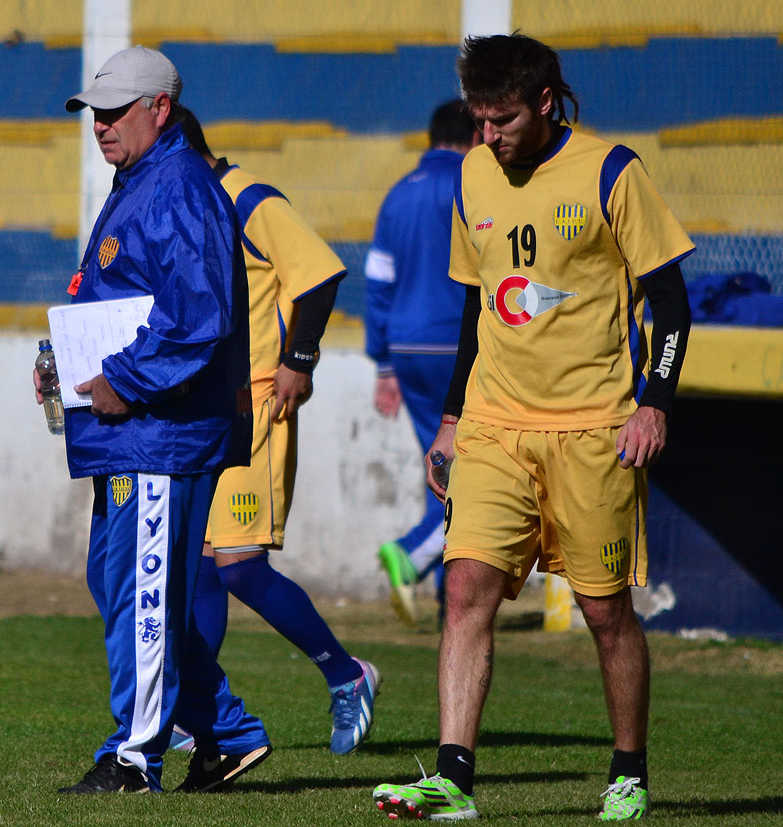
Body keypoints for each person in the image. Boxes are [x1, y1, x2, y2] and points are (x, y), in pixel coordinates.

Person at [372, 34, 693, 821]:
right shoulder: (472, 173)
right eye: (479, 119)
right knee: (466, 586)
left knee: (604, 609)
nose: (489, 135)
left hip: (593, 430)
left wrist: (656, 400)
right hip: (492, 424)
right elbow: (477, 312)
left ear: (546, 103)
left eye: (504, 118)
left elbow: (674, 305)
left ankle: (628, 771)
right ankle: (452, 777)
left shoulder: (614, 172)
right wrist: (450, 419)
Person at [52, 46, 271, 795]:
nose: (101, 126)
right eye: (93, 113)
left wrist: (122, 378)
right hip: (131, 430)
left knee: (142, 591)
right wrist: (67, 364)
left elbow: (197, 320)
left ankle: (136, 754)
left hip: (161, 433)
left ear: (160, 109)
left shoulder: (176, 185)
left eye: (114, 112)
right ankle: (228, 732)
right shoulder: (141, 180)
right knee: (122, 586)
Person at [177, 112, 379, 756]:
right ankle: (194, 711)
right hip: (202, 411)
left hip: (254, 404)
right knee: (201, 572)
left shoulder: (247, 197)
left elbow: (319, 274)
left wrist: (299, 360)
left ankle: (346, 673)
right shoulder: (181, 202)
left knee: (236, 567)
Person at [367, 100, 480, 626]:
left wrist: (384, 365)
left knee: (444, 471)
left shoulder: (397, 193)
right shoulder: (472, 182)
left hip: (407, 346)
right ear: (474, 136)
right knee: (472, 475)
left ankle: (446, 603)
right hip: (456, 344)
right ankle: (412, 553)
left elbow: (378, 282)